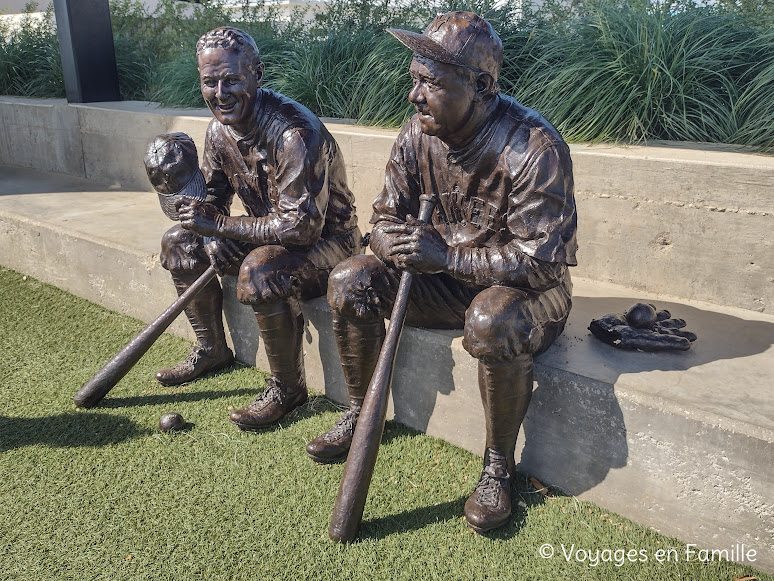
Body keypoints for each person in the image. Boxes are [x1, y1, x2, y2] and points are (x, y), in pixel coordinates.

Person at [308, 12, 577, 533]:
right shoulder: (416, 134)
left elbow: (539, 263)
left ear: (480, 86)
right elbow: (383, 218)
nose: (415, 95)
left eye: (431, 83)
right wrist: (399, 244)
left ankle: (498, 466)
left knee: (491, 320)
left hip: (526, 294)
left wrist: (447, 257)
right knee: (348, 280)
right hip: (442, 279)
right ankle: (363, 413)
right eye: (415, 78)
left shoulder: (532, 148)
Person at [154, 26, 361, 431]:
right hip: (264, 234)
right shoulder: (219, 130)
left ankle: (288, 387)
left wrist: (226, 227)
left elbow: (300, 229)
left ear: (257, 75)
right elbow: (212, 202)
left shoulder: (294, 135)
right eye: (209, 82)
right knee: (179, 242)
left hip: (327, 243)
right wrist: (177, 188)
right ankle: (212, 349)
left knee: (261, 268)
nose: (220, 93)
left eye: (231, 79)